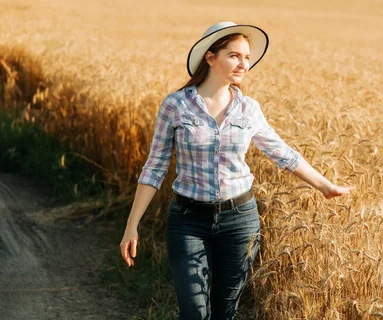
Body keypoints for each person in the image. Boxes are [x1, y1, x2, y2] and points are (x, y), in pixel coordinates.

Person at [119, 21, 354, 319]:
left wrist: (325, 186)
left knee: (225, 312)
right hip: (189, 221)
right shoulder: (176, 105)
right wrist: (132, 225)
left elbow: (283, 153)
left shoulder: (249, 109)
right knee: (194, 313)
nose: (243, 64)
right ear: (210, 57)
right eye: (234, 55)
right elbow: (155, 167)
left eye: (246, 57)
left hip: (240, 221)